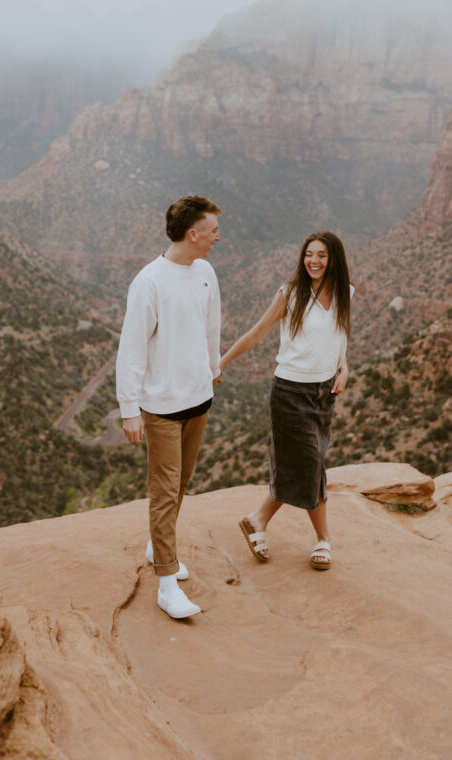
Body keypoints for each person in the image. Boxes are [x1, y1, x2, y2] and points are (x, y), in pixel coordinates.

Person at [219, 231, 352, 571]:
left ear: (333, 258)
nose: (314, 261)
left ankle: (258, 520)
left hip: (324, 394)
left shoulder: (343, 293)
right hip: (290, 393)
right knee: (310, 463)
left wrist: (344, 366)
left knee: (311, 462)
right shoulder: (290, 294)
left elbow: (341, 335)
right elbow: (256, 332)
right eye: (309, 254)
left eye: (321, 255)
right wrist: (221, 362)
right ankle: (321, 538)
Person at [116, 195, 222, 619]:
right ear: (192, 234)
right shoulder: (149, 282)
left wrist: (212, 366)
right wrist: (129, 407)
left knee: (180, 485)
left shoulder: (206, 272)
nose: (218, 237)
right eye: (213, 230)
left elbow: (212, 324)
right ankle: (166, 583)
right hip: (161, 406)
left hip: (199, 398)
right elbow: (131, 348)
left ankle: (157, 544)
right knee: (163, 492)